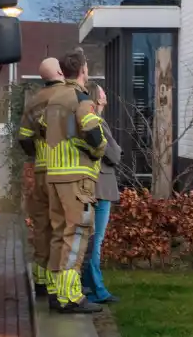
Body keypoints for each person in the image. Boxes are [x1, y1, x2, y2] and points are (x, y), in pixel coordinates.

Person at [43, 48, 107, 314]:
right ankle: (71, 296)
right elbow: (92, 131)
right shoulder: (81, 99)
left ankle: (56, 292)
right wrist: (99, 148)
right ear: (83, 70)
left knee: (59, 234)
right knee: (77, 234)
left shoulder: (53, 98)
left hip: (53, 175)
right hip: (76, 178)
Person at [16, 57, 66, 298]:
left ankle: (40, 281)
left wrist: (37, 154)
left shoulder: (34, 101)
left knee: (41, 227)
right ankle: (59, 285)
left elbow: (24, 137)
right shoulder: (68, 97)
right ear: (59, 71)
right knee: (61, 229)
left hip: (40, 172)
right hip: (62, 171)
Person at [80, 82, 122, 304]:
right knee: (96, 241)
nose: (106, 94)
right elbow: (114, 154)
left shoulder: (88, 120)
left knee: (89, 240)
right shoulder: (98, 122)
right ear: (97, 98)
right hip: (102, 187)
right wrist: (117, 151)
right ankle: (98, 290)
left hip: (92, 185)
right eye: (103, 92)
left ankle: (87, 285)